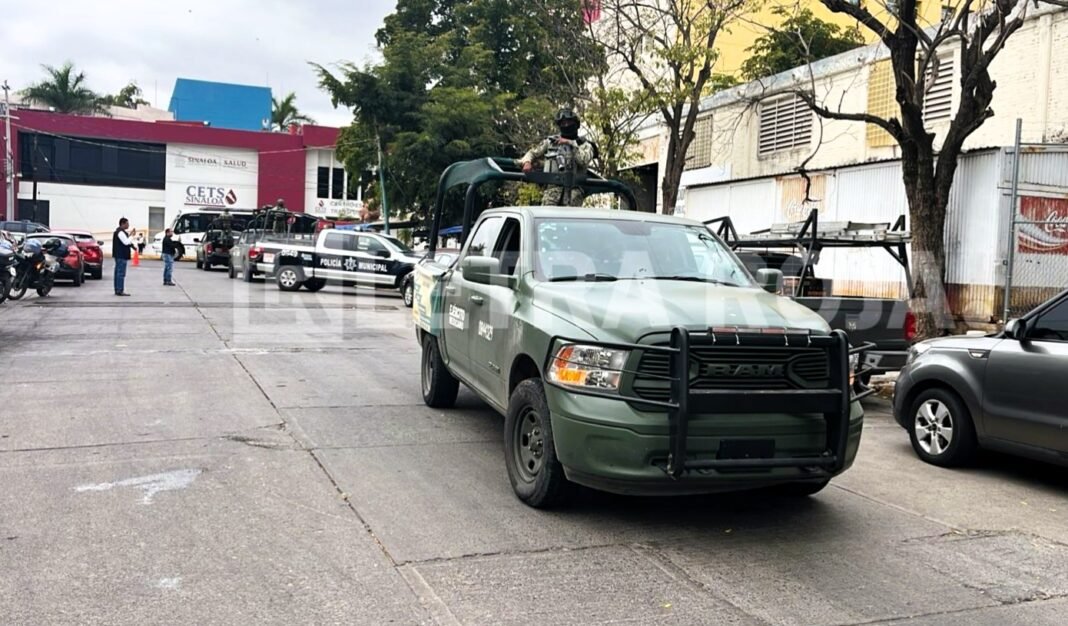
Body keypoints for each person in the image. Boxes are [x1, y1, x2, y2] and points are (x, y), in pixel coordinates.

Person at [518, 107, 597, 207]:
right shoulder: (551, 142)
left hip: (573, 193)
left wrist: (570, 144)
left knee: (569, 221)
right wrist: (527, 162)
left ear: (576, 124)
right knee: (546, 220)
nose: (566, 125)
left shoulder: (586, 145)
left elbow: (583, 160)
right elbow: (532, 152)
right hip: (551, 192)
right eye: (563, 123)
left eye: (569, 122)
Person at [112, 218, 136, 296]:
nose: (128, 225)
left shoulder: (120, 232)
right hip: (121, 255)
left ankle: (117, 289)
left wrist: (130, 236)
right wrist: (132, 236)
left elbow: (125, 240)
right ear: (122, 224)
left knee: (118, 273)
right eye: (127, 223)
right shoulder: (120, 232)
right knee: (121, 273)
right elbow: (126, 242)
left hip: (119, 255)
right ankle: (120, 290)